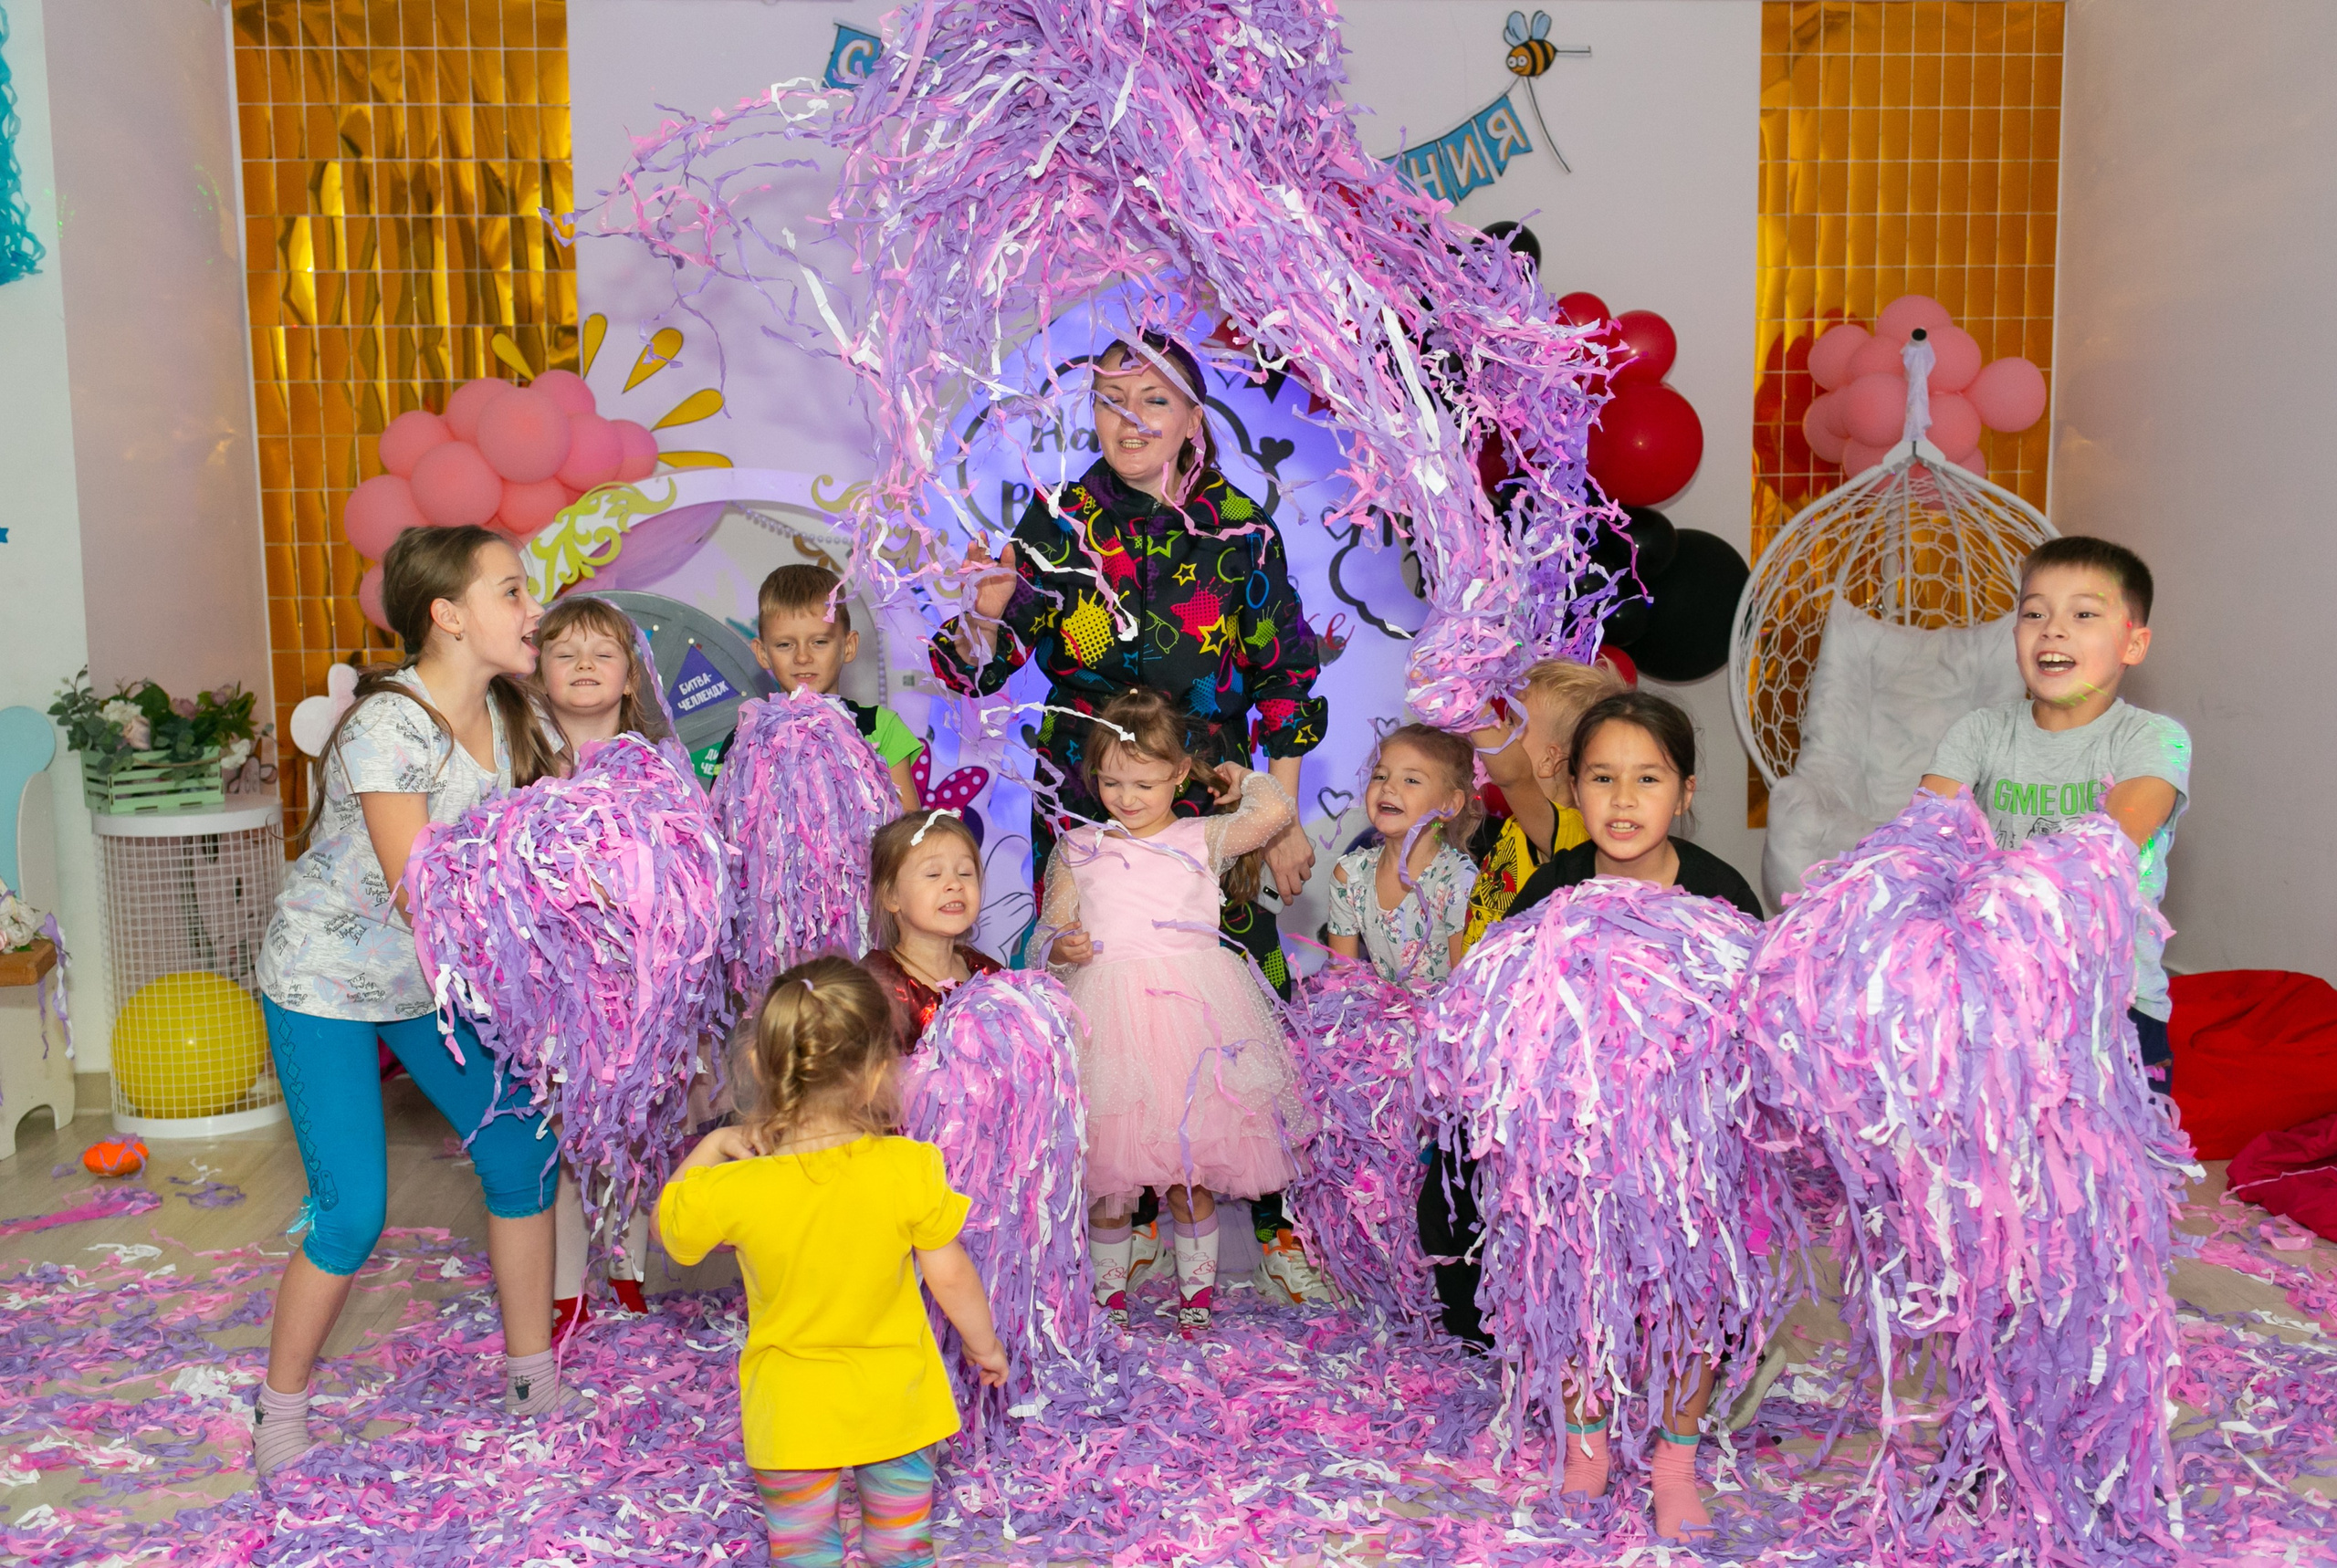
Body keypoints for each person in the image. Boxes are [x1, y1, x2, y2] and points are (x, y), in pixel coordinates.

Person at [251, 524, 566, 1477]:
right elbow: (420, 888)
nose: (531, 608)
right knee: (351, 1213)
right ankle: (279, 1413)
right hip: (329, 982)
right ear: (447, 614)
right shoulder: (392, 722)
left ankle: (531, 1380)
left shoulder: (518, 715)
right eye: (510, 591)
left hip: (430, 979)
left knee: (523, 1150)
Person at [1456, 689, 1762, 1538]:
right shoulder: (1555, 886)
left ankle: (1674, 1460)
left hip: (1684, 1155)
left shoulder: (1717, 892)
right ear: (1573, 790)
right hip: (1574, 1156)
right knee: (1577, 1291)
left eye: (1648, 779)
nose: (1624, 801)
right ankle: (1586, 1447)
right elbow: (1500, 997)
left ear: (1686, 792)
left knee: (1684, 1307)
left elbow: (1754, 1019)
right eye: (1602, 778)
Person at [935, 332, 1326, 913]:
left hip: (1207, 791)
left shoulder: (1245, 529)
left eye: (1153, 400)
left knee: (1207, 979)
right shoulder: (1058, 520)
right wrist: (983, 617)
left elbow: (1284, 682)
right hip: (1081, 790)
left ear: (1193, 419)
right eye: (1110, 399)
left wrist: (1280, 820)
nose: (1130, 420)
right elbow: (974, 673)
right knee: (1086, 968)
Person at [657, 957, 1008, 1567]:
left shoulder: (741, 1187)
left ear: (764, 1067)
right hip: (896, 1401)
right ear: (877, 1074)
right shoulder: (908, 1167)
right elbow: (949, 1273)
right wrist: (984, 1347)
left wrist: (713, 1143)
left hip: (791, 1413)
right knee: (901, 1548)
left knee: (803, 1552)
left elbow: (674, 1234)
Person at [1043, 689, 1315, 1333]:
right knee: (1112, 1174)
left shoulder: (1203, 836)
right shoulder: (1077, 847)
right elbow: (1045, 937)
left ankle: (1197, 1298)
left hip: (1194, 1018)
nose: (1126, 797)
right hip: (1109, 1019)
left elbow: (1274, 812)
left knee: (1188, 1174)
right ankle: (1110, 1298)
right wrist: (1062, 946)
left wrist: (1237, 775)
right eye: (1111, 782)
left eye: (1143, 782)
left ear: (1177, 774)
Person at [1919, 535, 2188, 1096]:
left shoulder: (2156, 739)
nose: (2053, 628)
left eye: (2084, 613)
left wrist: (1995, 889)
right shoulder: (1980, 731)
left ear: (2133, 644)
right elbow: (1923, 839)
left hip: (2115, 1010)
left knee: (2113, 1172)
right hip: (1991, 993)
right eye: (2034, 612)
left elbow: (2104, 847)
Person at [529, 594, 674, 1340]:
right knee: (559, 1139)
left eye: (602, 654)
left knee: (635, 1135)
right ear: (539, 672)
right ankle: (561, 1290)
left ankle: (627, 1270)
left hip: (640, 990)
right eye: (565, 653)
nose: (584, 666)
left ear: (629, 677)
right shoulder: (520, 767)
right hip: (551, 994)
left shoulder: (657, 767)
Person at [1458, 658, 1626, 954]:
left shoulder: (1572, 832)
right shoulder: (1518, 822)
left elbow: (1514, 774)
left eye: (1512, 725)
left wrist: (1464, 694)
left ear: (1550, 761)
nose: (1501, 730)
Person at [751, 563, 923, 811]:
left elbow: (907, 836)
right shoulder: (746, 739)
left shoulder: (881, 728)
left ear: (849, 646)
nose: (802, 657)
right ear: (762, 653)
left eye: (819, 642)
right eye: (785, 645)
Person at [1326, 726, 1483, 989]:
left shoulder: (1456, 880)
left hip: (1443, 1022)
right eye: (1380, 776)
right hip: (1382, 1021)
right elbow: (1343, 981)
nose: (1388, 787)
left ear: (1450, 805)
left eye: (1411, 780)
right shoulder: (1349, 875)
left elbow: (1465, 990)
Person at [860, 810, 1003, 1052]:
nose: (955, 884)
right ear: (891, 896)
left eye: (965, 873)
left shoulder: (991, 975)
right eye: (933, 874)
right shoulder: (873, 988)